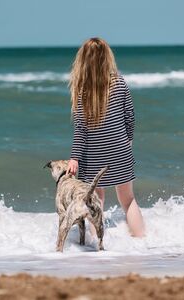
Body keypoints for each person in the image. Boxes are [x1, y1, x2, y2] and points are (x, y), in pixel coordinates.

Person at [66, 37, 145, 237]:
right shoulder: (119, 82)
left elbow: (81, 130)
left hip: (93, 154)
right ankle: (141, 241)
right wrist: (128, 140)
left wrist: (74, 157)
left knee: (96, 201)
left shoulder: (82, 90)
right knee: (128, 201)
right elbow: (130, 116)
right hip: (120, 149)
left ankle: (96, 244)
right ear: (106, 58)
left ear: (83, 60)